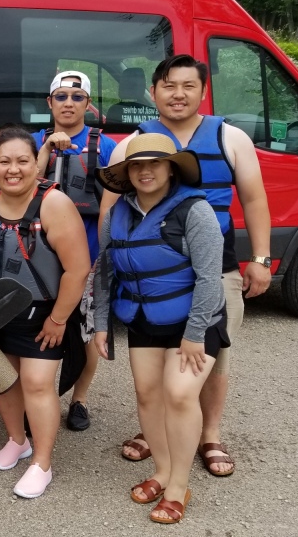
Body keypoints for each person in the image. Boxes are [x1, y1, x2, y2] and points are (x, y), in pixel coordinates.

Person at [100, 54, 271, 476]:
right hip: (158, 270)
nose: (178, 94)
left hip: (219, 265)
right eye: (169, 86)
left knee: (210, 356)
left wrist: (261, 259)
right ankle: (158, 431)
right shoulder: (134, 144)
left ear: (202, 91)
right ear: (154, 92)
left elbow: (253, 199)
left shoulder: (229, 138)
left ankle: (208, 434)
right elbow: (112, 215)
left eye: (188, 86)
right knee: (156, 364)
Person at [93, 133, 228, 524]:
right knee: (147, 394)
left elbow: (209, 278)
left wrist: (196, 332)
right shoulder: (117, 212)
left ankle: (177, 487)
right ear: (127, 172)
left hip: (194, 321)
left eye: (154, 163)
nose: (145, 171)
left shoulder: (194, 210)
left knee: (180, 394)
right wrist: (101, 323)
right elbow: (104, 271)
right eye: (136, 165)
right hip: (143, 319)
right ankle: (164, 470)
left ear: (171, 168)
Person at [0, 126, 90, 499]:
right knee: (1, 379)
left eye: (22, 161)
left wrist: (59, 318)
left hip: (42, 312)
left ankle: (42, 463)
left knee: (35, 384)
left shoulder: (53, 205)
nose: (12, 169)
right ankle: (18, 440)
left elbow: (77, 269)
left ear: (37, 164)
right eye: (4, 161)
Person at [32, 71, 119, 432]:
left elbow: (113, 206)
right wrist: (48, 148)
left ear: (89, 104)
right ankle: (36, 395)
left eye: (77, 97)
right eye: (62, 96)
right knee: (38, 328)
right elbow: (22, 187)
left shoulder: (107, 146)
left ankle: (79, 398)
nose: (69, 103)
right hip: (40, 256)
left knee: (86, 333)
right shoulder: (35, 142)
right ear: (49, 103)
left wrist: (106, 260)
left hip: (89, 256)